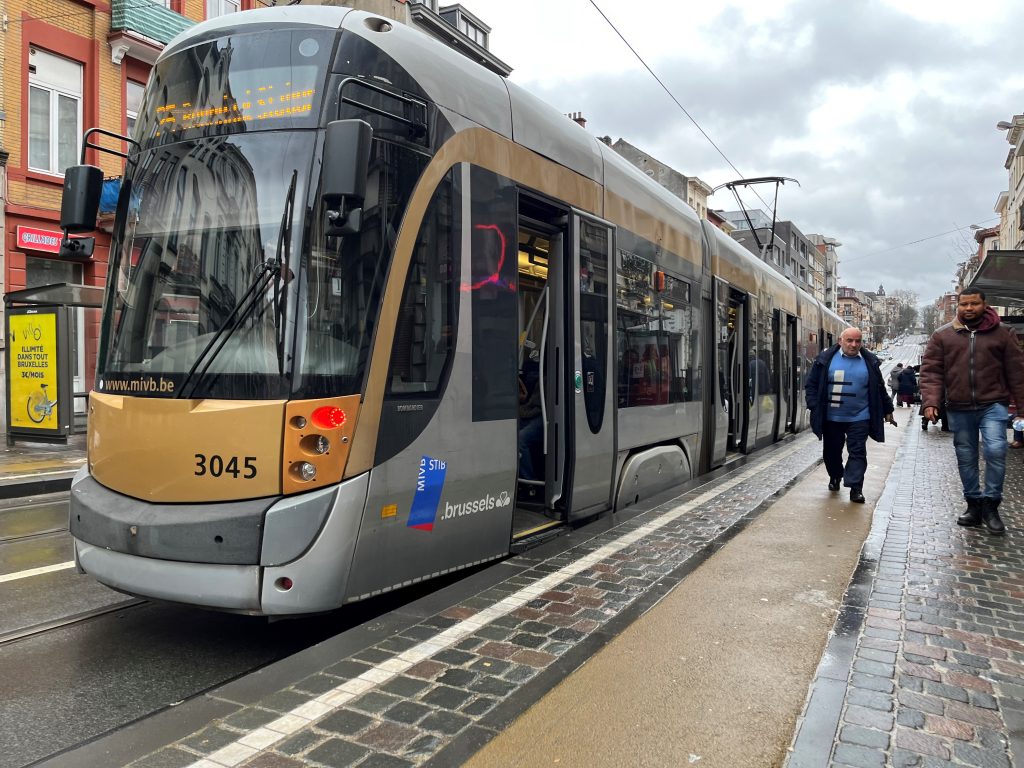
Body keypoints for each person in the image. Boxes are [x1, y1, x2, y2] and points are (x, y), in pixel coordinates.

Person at [920, 288, 1024, 535]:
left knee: (996, 449)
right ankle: (973, 504)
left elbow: (1017, 373)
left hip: (993, 403)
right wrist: (931, 402)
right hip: (959, 406)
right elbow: (932, 372)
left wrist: (1021, 408)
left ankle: (991, 504)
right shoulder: (943, 335)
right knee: (966, 457)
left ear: (984, 305)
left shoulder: (1003, 333)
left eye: (974, 304)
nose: (969, 309)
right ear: (959, 306)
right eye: (964, 304)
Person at [806, 327, 897, 503]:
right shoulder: (825, 360)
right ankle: (835, 476)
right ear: (840, 341)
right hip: (831, 418)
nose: (853, 345)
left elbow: (879, 388)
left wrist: (888, 410)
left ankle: (856, 488)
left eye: (857, 341)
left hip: (860, 417)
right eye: (849, 340)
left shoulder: (869, 362)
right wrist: (814, 405)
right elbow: (811, 386)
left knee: (858, 452)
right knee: (832, 452)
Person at [517, 373, 544, 481]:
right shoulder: (531, 370)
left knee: (520, 440)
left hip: (543, 414)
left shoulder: (549, 372)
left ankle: (529, 480)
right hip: (531, 411)